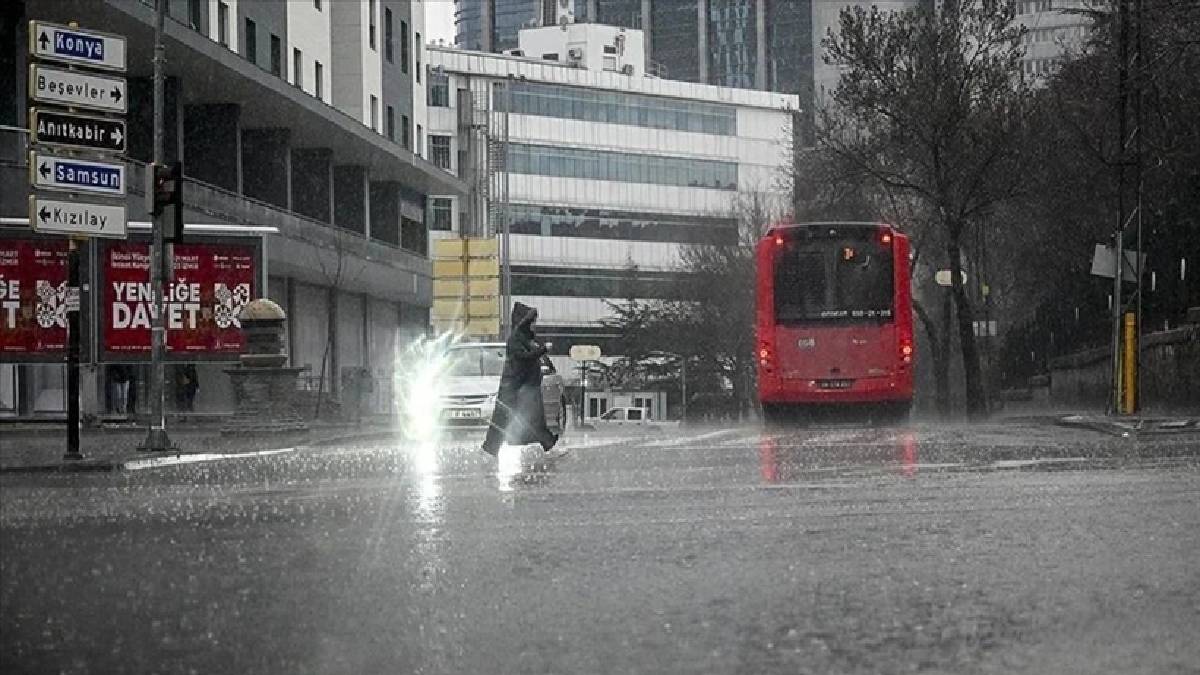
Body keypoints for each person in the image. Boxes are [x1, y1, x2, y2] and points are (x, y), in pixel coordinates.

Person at [481, 302, 559, 456]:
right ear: (525, 322)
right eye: (532, 322)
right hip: (514, 387)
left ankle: (549, 444)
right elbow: (525, 357)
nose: (534, 325)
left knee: (534, 417)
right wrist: (543, 350)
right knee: (504, 418)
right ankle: (490, 448)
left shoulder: (527, 338)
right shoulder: (516, 339)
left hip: (525, 386)